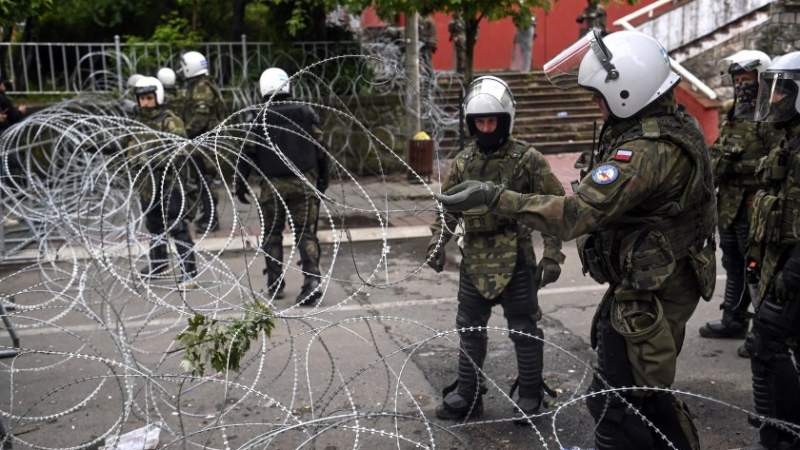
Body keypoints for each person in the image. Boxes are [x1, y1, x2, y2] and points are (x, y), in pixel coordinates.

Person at [435, 30, 716, 450]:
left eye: (599, 96)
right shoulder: (666, 126)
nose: (595, 105)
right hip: (642, 283)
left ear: (627, 91)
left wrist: (495, 197)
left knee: (630, 408)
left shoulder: (646, 151)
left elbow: (572, 215)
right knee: (616, 400)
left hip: (654, 289)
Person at [428, 75, 565, 422]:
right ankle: (468, 395)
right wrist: (437, 243)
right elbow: (447, 208)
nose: (486, 127)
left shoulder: (528, 160)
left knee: (524, 329)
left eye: (492, 120)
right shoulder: (462, 162)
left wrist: (552, 253)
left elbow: (554, 206)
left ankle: (531, 394)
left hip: (516, 258)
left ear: (505, 120)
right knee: (470, 328)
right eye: (479, 122)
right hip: (474, 259)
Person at [699, 50, 778, 358]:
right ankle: (733, 320)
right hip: (728, 204)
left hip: (753, 204)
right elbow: (720, 148)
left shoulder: (771, 113)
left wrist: (737, 166)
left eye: (746, 78)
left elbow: (775, 161)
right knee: (732, 262)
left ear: (760, 79)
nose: (741, 84)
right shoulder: (734, 111)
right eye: (737, 79)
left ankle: (764, 332)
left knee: (756, 268)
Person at [742, 51, 800, 450]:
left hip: (793, 269)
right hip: (780, 264)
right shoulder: (790, 141)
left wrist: (792, 273)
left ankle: (780, 436)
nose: (773, 98)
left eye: (784, 91)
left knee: (766, 345)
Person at [235, 68, 330, 306]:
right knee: (306, 234)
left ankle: (275, 283)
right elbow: (322, 148)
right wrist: (323, 179)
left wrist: (240, 183)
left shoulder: (257, 116)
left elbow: (247, 154)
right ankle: (312, 281)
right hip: (303, 183)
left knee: (272, 235)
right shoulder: (305, 112)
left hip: (272, 186)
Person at [129, 77, 198, 289]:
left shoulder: (169, 121)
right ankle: (158, 265)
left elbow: (182, 149)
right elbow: (122, 145)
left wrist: (153, 160)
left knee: (176, 225)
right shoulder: (136, 123)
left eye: (149, 98)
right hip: (146, 185)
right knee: (154, 225)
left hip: (169, 183)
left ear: (157, 97)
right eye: (142, 99)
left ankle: (189, 272)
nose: (145, 103)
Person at [180, 50, 226, 233]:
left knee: (204, 179)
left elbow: (201, 116)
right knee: (201, 179)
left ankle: (211, 219)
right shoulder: (203, 84)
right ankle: (208, 215)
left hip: (203, 141)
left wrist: (185, 133)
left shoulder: (201, 88)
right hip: (204, 140)